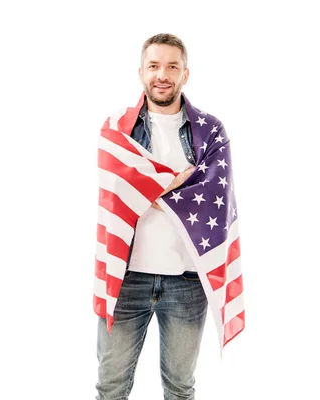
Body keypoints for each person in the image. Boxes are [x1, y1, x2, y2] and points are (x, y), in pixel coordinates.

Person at [94, 33, 240, 400]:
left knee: (179, 388)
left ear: (185, 74)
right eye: (154, 66)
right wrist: (180, 185)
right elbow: (118, 183)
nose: (163, 74)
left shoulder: (210, 131)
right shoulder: (117, 128)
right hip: (127, 279)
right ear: (141, 72)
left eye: (172, 66)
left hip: (186, 281)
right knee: (111, 387)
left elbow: (213, 198)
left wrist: (145, 186)